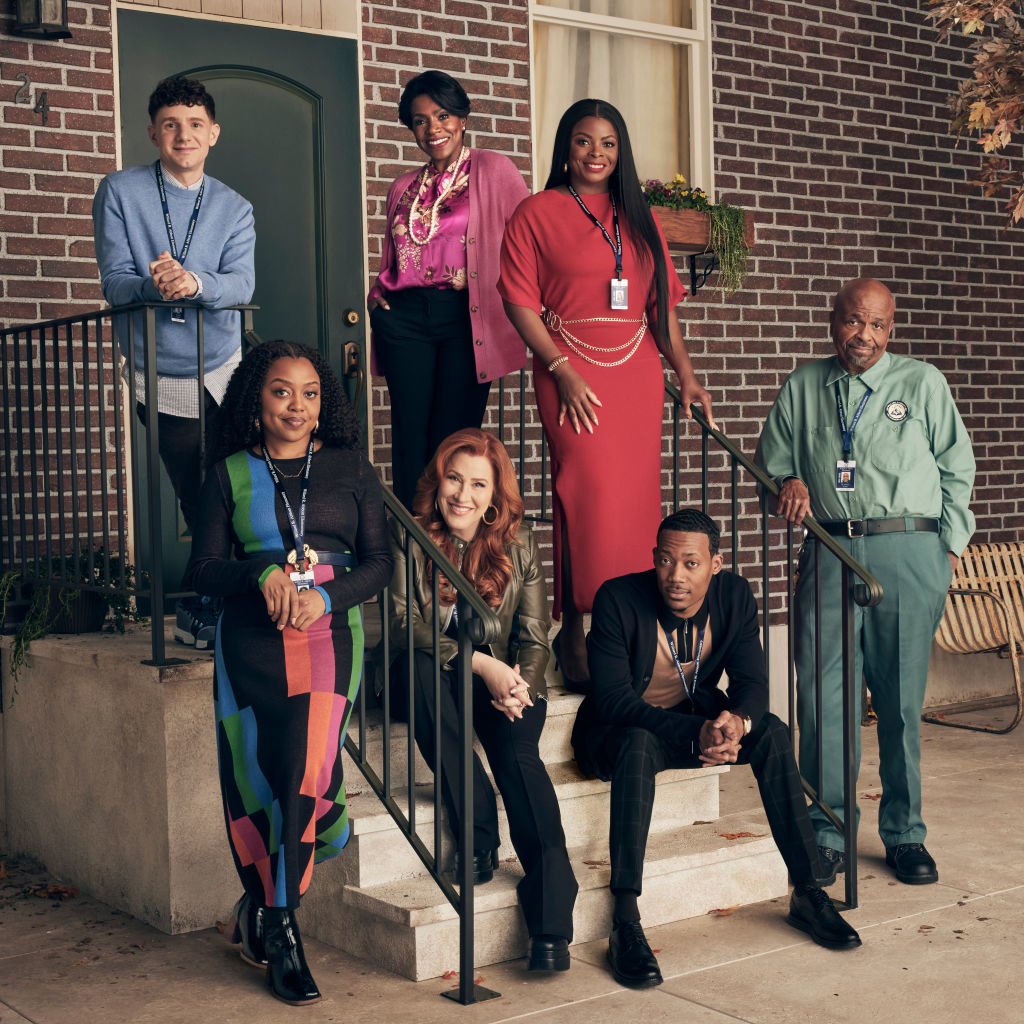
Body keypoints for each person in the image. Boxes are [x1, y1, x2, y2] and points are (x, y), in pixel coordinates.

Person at [572, 509, 861, 989]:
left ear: (715, 564)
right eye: (665, 561)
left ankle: (808, 890)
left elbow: (752, 682)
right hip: (618, 735)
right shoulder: (618, 599)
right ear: (653, 559)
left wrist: (735, 722)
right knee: (640, 743)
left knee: (770, 730)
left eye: (690, 563)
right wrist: (694, 734)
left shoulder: (734, 596)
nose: (675, 576)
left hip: (693, 720)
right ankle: (625, 920)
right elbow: (613, 701)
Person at [185, 341, 392, 1006]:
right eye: (281, 391)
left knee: (309, 777)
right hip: (251, 640)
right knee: (258, 784)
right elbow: (204, 570)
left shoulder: (351, 469)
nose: (296, 406)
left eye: (308, 393)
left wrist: (326, 595)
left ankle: (277, 925)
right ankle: (270, 912)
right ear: (256, 402)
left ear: (323, 403)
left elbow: (380, 562)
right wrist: (261, 570)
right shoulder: (226, 475)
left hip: (329, 635)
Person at [754, 278, 976, 888]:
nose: (865, 336)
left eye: (878, 325)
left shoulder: (922, 382)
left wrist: (947, 548)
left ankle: (904, 834)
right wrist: (788, 484)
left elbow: (958, 467)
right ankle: (827, 830)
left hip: (909, 548)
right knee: (822, 700)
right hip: (828, 546)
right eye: (855, 321)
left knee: (901, 702)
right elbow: (771, 465)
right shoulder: (803, 386)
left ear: (891, 329)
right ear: (834, 322)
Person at [498, 98, 715, 688]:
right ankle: (576, 634)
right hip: (571, 371)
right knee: (584, 496)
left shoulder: (638, 216)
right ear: (565, 150)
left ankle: (632, 636)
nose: (596, 154)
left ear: (621, 153)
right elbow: (518, 300)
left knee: (638, 504)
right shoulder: (536, 212)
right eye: (583, 141)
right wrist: (560, 368)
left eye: (608, 143)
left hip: (637, 374)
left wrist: (687, 376)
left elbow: (660, 310)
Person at [388, 428, 578, 972]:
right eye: (453, 478)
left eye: (477, 484)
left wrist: (519, 684)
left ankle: (550, 925)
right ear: (438, 480)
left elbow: (536, 633)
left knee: (520, 759)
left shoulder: (518, 547)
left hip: (508, 678)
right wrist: (482, 663)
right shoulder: (411, 535)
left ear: (495, 495)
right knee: (423, 671)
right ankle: (475, 829)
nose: (462, 495)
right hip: (434, 674)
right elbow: (405, 625)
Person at [92, 74, 256, 650]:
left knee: (237, 488)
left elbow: (241, 283)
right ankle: (204, 609)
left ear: (212, 133)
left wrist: (195, 282)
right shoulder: (119, 191)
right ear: (153, 134)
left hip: (225, 364)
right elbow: (114, 283)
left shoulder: (235, 207)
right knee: (199, 492)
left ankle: (215, 607)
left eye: (193, 124)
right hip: (160, 368)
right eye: (169, 125)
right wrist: (153, 285)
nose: (182, 135)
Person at [368, 70, 530, 508]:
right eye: (420, 120)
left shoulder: (494, 169)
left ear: (462, 118)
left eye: (442, 115)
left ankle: (450, 550)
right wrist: (377, 297)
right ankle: (414, 552)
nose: (433, 128)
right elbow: (396, 255)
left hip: (465, 317)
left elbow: (533, 236)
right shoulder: (403, 186)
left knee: (454, 442)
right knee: (409, 439)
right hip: (402, 318)